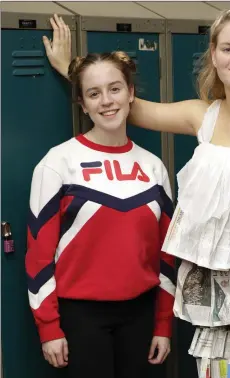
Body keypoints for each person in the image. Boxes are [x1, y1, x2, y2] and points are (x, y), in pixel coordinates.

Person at [45, 3, 230, 376]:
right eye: (227, 48)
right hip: (225, 304)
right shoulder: (202, 115)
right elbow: (117, 100)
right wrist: (72, 68)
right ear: (214, 56)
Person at [26, 47, 175, 378]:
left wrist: (163, 323)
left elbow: (167, 256)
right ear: (82, 104)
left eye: (115, 88)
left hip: (141, 313)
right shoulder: (58, 162)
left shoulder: (153, 166)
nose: (106, 101)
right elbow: (38, 258)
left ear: (130, 93)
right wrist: (49, 327)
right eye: (94, 93)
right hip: (80, 317)